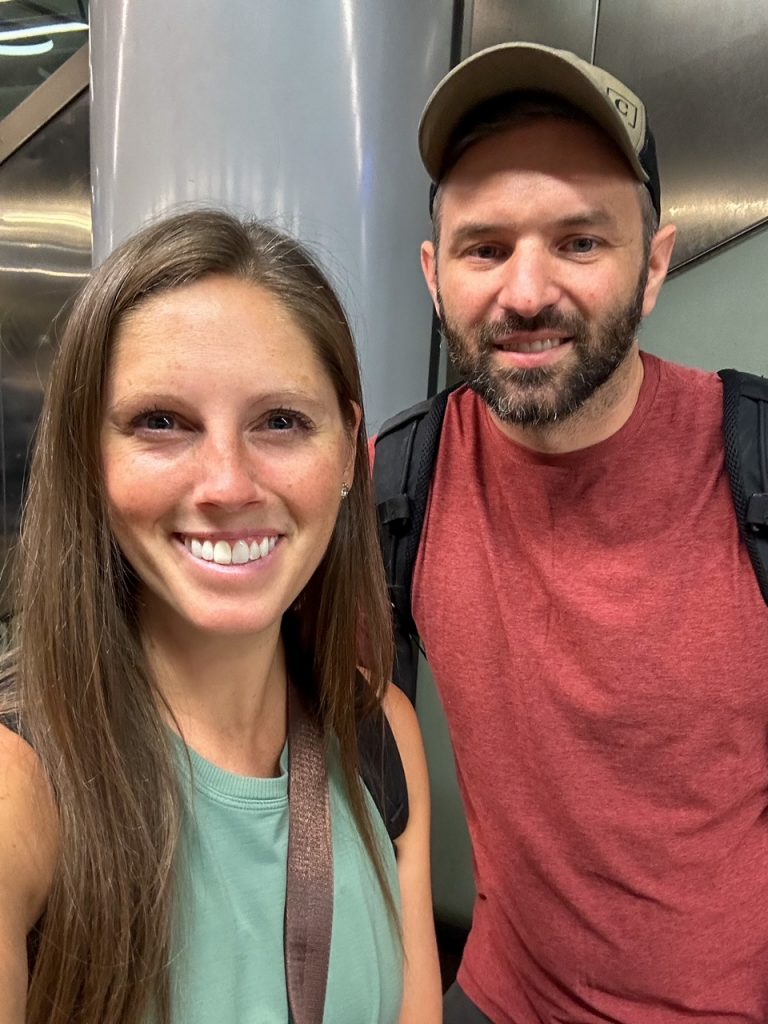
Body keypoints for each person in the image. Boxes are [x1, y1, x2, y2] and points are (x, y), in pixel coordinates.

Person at [391, 41, 768, 1022]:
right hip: (495, 993)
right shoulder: (399, 481)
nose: (524, 292)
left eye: (580, 241)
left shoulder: (755, 470)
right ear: (436, 275)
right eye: (485, 247)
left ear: (655, 266)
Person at [0, 209, 441, 1024]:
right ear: (87, 459)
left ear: (349, 451)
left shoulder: (378, 731)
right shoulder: (22, 789)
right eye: (161, 422)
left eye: (280, 421)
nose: (229, 485)